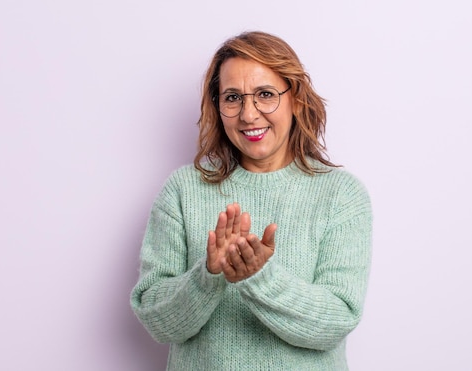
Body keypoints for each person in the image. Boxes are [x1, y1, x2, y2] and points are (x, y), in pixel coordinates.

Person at [130, 31, 372, 370]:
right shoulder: (183, 189)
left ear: (297, 99)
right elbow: (156, 320)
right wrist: (208, 275)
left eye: (265, 94)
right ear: (218, 106)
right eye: (233, 98)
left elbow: (337, 319)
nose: (248, 114)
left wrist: (260, 278)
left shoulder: (341, 194)